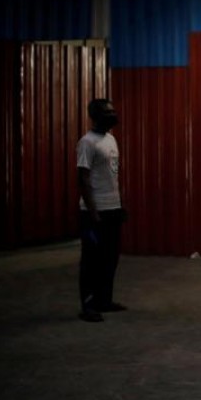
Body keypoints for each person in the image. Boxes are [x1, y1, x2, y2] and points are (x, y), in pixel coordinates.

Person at [77, 98, 127, 323]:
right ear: (95, 116)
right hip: (93, 211)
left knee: (110, 257)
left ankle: (104, 300)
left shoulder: (112, 140)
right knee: (91, 260)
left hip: (112, 208)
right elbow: (83, 178)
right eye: (108, 112)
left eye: (113, 111)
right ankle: (88, 306)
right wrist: (93, 211)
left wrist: (119, 204)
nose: (113, 115)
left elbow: (112, 175)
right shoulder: (87, 142)